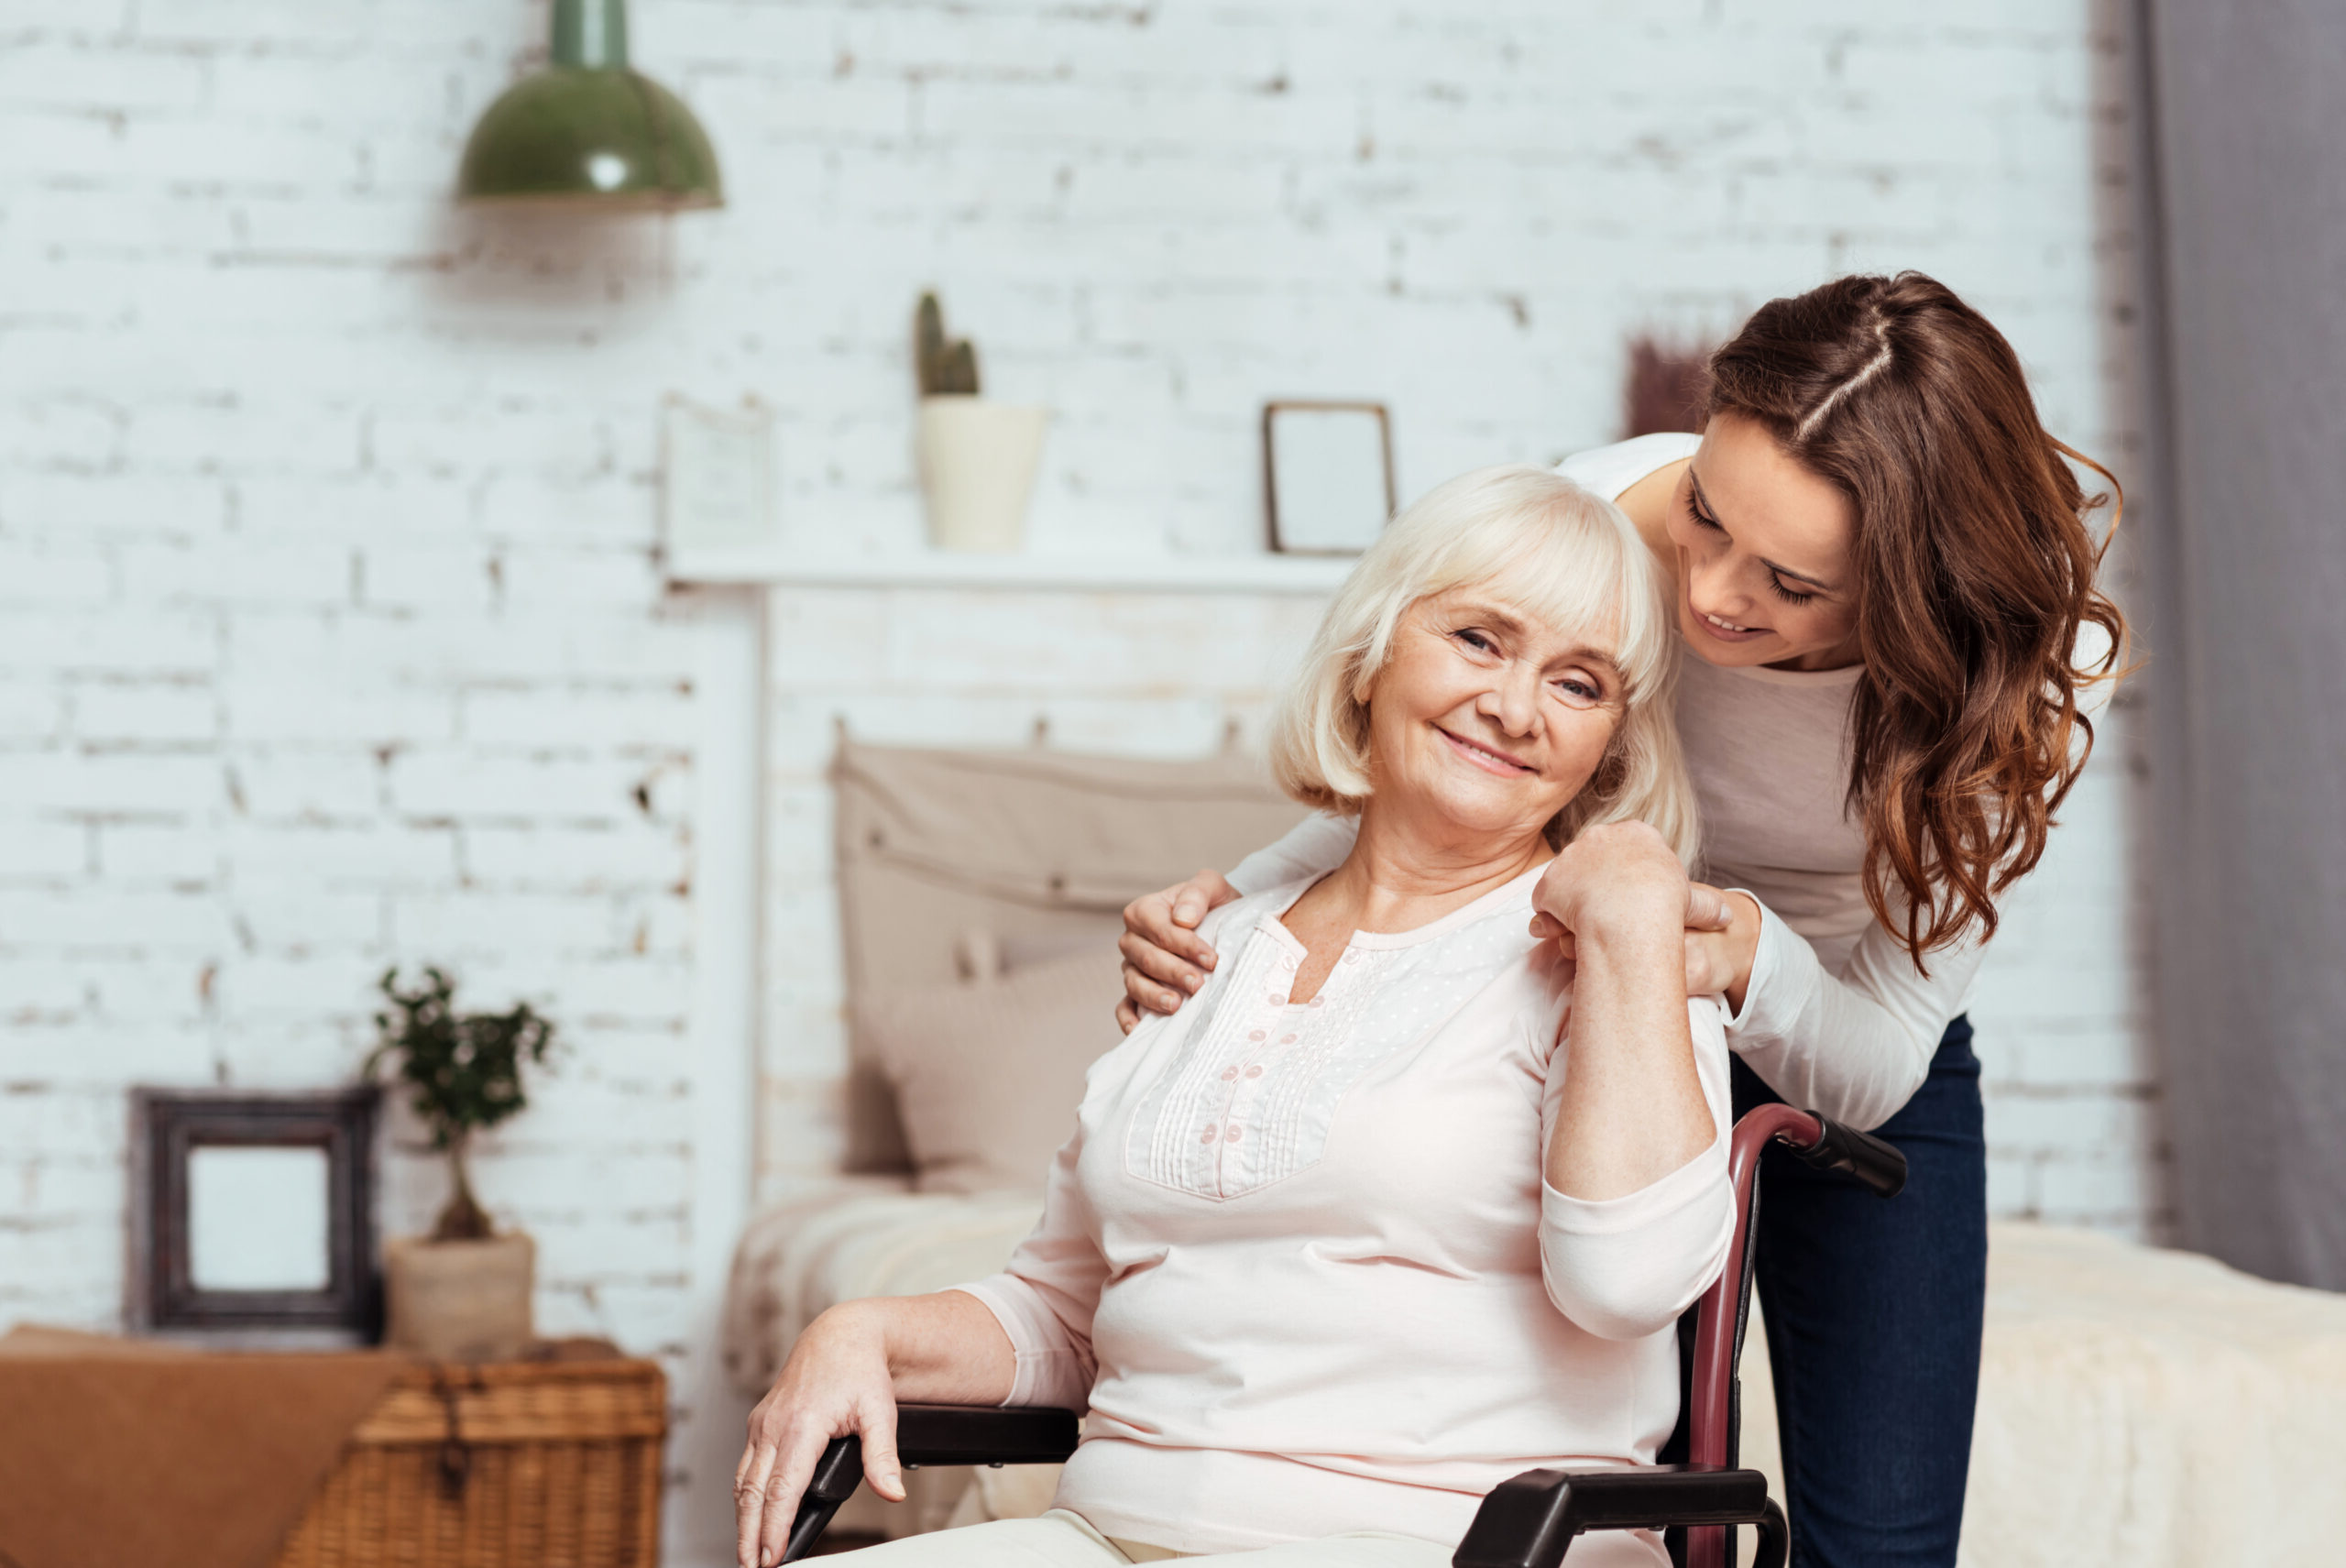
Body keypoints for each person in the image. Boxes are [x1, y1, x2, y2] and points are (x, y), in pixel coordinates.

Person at [1116, 272, 2125, 1568]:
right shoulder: (1592, 519)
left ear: (1917, 589)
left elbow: (1884, 1051)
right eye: (1705, 512)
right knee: (1609, 1495)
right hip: (1584, 987)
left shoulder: (2005, 669)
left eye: (1792, 582)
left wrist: (1756, 956)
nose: (1708, 595)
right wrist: (1239, 910)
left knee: (1880, 1538)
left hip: (1847, 1020)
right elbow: (1443, 769)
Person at [736, 467, 1740, 1568]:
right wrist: (863, 1330)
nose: (1514, 708)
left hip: (1448, 1545)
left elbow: (1633, 1283)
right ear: (1371, 651)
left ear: (1613, 739)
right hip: (1107, 1536)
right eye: (1478, 640)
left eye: (1580, 683)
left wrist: (1637, 913)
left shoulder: (1615, 960)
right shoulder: (1207, 949)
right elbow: (1065, 1310)